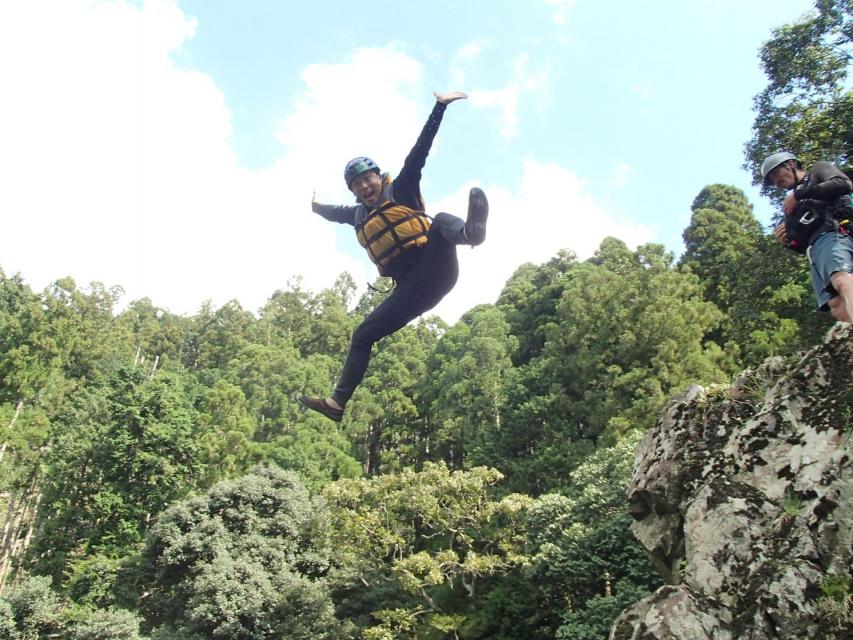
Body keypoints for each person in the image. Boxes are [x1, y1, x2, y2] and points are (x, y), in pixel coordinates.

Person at [300, 91, 489, 422]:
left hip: (436, 266)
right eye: (357, 185)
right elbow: (332, 212)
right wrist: (313, 206)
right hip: (410, 290)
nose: (364, 187)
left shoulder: (401, 189)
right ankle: (337, 404)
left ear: (378, 176)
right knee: (363, 335)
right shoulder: (357, 215)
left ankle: (471, 234)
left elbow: (420, 151)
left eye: (368, 179)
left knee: (442, 220)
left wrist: (439, 107)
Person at [761, 152, 853, 322]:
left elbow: (844, 184)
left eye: (775, 173)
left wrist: (800, 194)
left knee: (841, 279)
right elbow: (800, 245)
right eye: (772, 180)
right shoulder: (792, 207)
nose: (776, 181)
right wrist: (788, 242)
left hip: (834, 234)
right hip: (815, 252)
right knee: (835, 305)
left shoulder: (817, 171)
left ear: (790, 164)